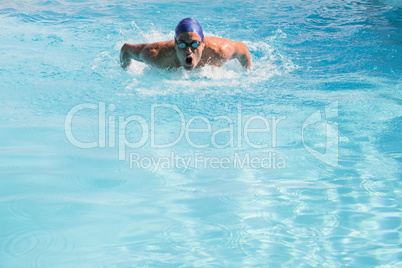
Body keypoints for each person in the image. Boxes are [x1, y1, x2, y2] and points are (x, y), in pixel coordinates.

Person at [120, 18, 252, 70]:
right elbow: (126, 49)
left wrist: (247, 72)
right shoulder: (155, 55)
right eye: (182, 45)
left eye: (194, 44)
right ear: (176, 44)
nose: (188, 50)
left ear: (203, 44)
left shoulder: (220, 52)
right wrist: (125, 70)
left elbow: (243, 48)